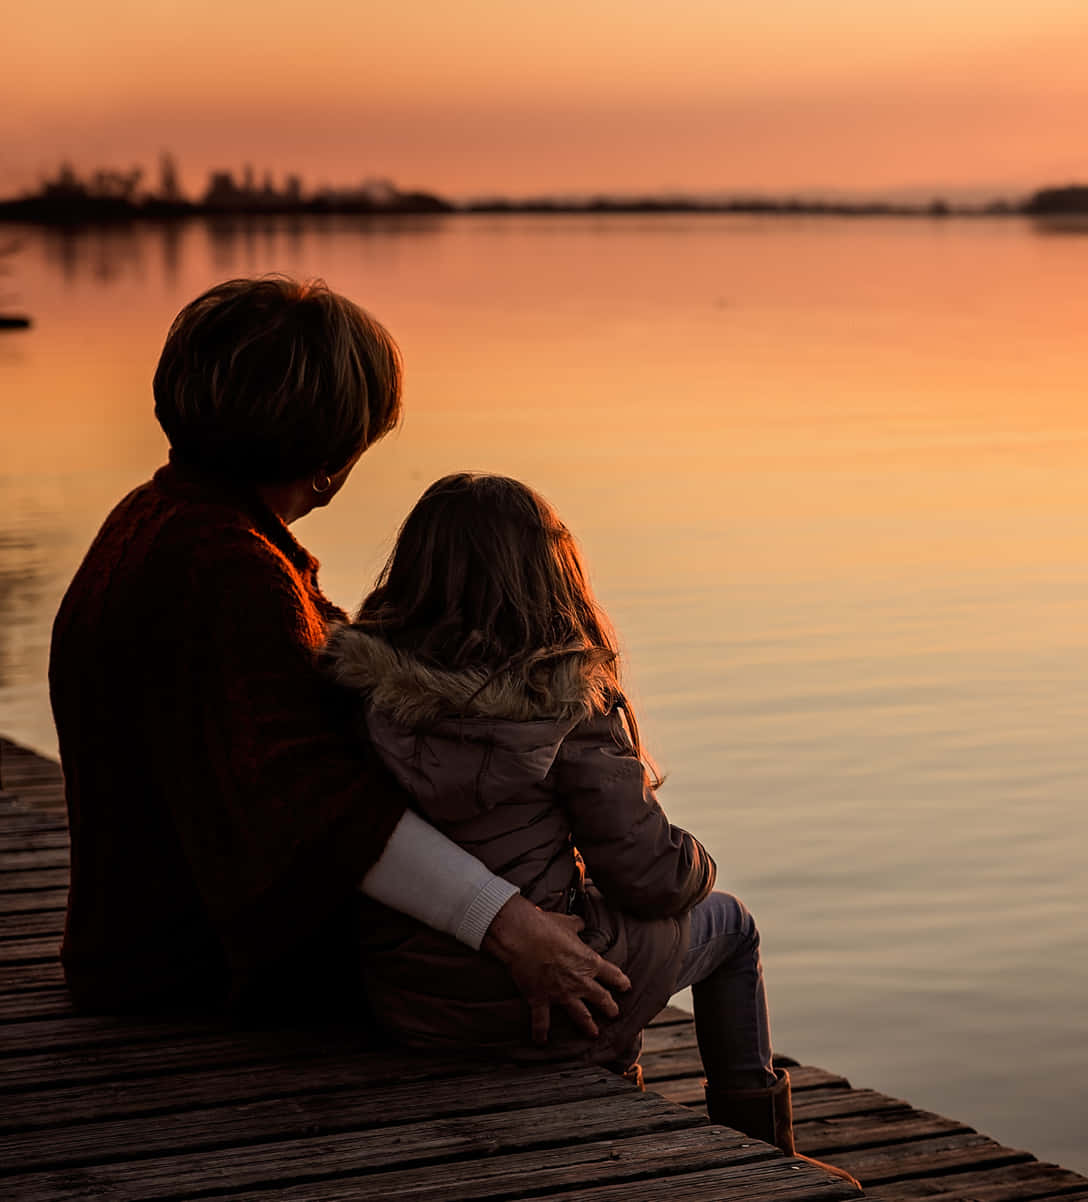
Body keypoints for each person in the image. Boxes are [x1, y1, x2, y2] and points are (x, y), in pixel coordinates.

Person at [50, 276, 630, 1041]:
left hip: (149, 950)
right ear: (329, 458)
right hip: (202, 975)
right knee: (614, 947)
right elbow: (319, 805)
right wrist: (508, 923)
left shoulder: (158, 518)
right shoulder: (227, 570)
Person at [319, 472, 857, 1189]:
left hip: (410, 999)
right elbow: (649, 876)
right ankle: (760, 1149)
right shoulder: (561, 700)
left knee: (597, 913)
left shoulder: (356, 695)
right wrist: (699, 863)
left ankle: (622, 1101)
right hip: (536, 997)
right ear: (549, 578)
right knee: (730, 929)